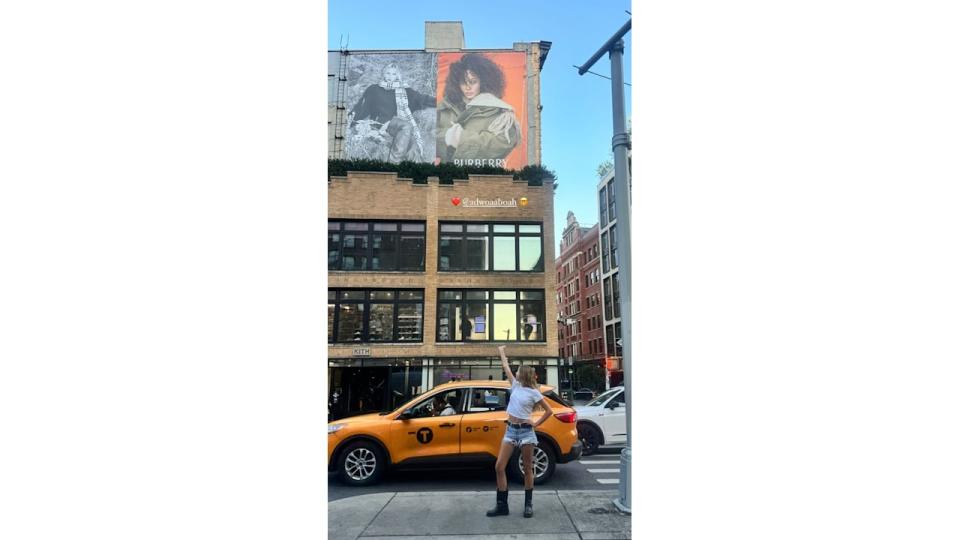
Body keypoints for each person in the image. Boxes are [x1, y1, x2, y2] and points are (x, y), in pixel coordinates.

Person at [486, 345, 553, 519]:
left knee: (528, 469)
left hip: (526, 433)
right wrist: (501, 352)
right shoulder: (515, 386)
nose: (514, 373)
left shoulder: (533, 392)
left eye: (517, 371)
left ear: (523, 374)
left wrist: (535, 423)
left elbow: (549, 411)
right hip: (511, 430)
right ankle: (502, 506)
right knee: (499, 466)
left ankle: (528, 505)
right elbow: (506, 367)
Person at [437, 54, 521, 166]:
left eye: (473, 81)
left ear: (483, 81)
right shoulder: (444, 107)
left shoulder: (500, 111)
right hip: (448, 177)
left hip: (483, 178)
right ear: (456, 83)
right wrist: (447, 136)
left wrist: (459, 139)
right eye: (463, 82)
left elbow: (503, 143)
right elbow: (425, 138)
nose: (468, 87)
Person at [348, 63, 436, 162]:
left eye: (394, 74)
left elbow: (421, 98)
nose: (390, 76)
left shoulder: (404, 90)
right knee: (407, 126)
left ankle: (418, 171)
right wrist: (349, 122)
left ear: (397, 75)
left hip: (395, 123)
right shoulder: (374, 89)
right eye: (388, 73)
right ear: (383, 74)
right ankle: (394, 162)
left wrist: (440, 101)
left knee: (413, 145)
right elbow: (361, 107)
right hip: (379, 122)